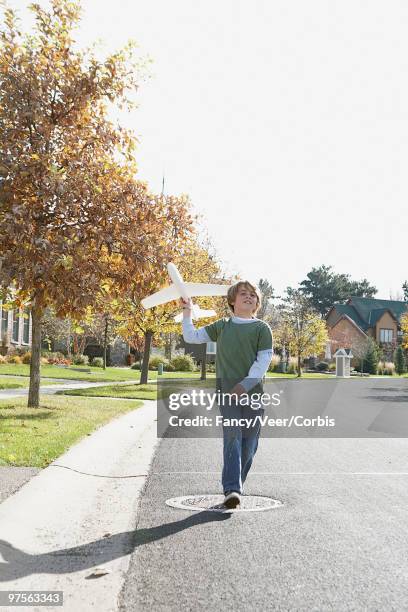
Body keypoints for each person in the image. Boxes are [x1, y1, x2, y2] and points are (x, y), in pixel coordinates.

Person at [181, 281, 273, 509]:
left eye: (253, 295)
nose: (249, 297)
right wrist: (187, 312)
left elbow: (263, 362)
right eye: (243, 293)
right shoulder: (222, 326)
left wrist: (245, 386)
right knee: (232, 436)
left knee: (249, 443)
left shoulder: (262, 329)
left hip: (253, 395)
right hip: (227, 395)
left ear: (257, 303)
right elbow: (191, 336)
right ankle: (232, 489)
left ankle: (236, 485)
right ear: (232, 300)